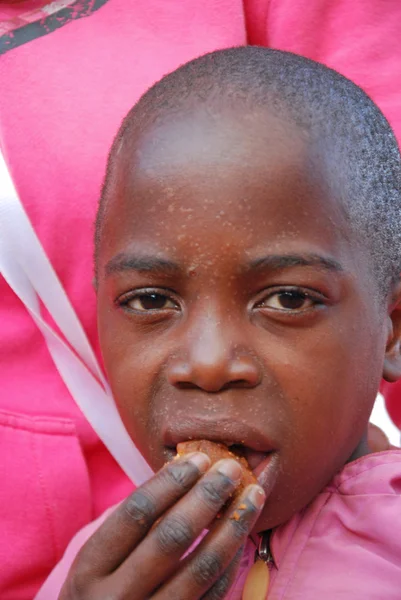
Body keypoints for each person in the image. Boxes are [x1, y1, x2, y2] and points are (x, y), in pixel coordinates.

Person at [2, 2, 401, 597]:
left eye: (288, 299)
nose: (209, 363)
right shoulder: (95, 573)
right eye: (148, 301)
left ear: (392, 331)